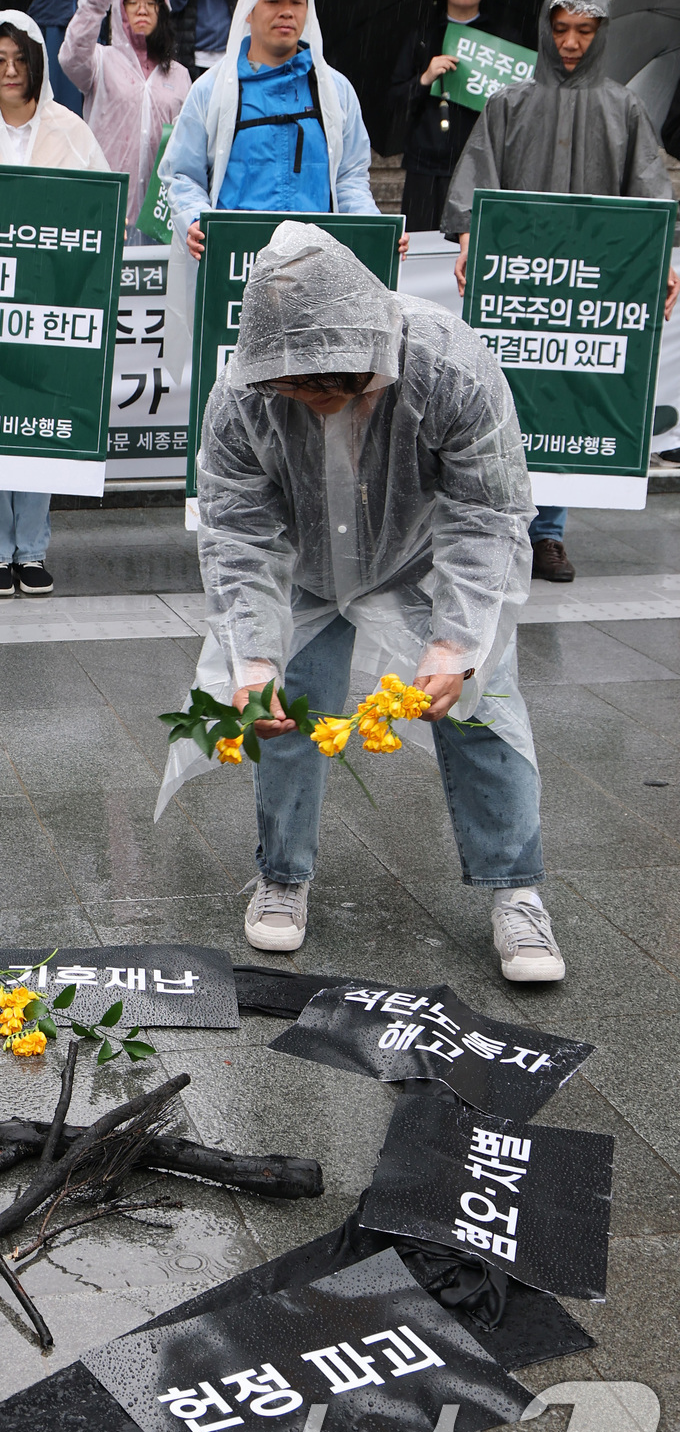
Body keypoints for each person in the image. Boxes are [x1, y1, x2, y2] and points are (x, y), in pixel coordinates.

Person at [190, 218, 567, 985]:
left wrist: (458, 643)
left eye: (335, 386)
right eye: (296, 388)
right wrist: (254, 653)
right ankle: (283, 874)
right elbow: (238, 530)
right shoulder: (241, 399)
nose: (317, 401)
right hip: (305, 560)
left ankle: (516, 888)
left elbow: (486, 511)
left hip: (427, 559)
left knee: (483, 703)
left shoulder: (450, 366)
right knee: (285, 702)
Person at [445, 0, 678, 583]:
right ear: (545, 29)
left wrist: (661, 263)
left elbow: (649, 192)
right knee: (508, 398)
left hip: (588, 286)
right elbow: (478, 176)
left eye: (584, 30)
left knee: (568, 399)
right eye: (561, 29)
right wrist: (470, 234)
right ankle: (502, 529)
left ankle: (548, 534)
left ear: (600, 34)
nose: (571, 43)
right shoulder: (508, 102)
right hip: (522, 282)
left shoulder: (623, 108)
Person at [0, 10, 108, 599]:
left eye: (19, 60)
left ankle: (31, 550)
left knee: (37, 420)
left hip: (52, 299)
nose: (9, 71)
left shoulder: (70, 129)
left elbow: (98, 205)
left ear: (36, 62)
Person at [162, 0, 381, 262]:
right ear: (249, 9)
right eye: (274, 0)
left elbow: (350, 178)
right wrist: (196, 220)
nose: (287, 12)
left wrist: (376, 229)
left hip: (315, 267)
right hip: (235, 263)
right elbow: (183, 174)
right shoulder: (211, 90)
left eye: (297, 1)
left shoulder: (336, 90)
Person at [387, 0, 517, 233]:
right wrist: (425, 79)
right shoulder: (422, 36)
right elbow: (395, 100)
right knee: (423, 259)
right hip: (426, 167)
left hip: (481, 166)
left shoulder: (503, 38)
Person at [59, 0, 191, 235]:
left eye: (150, 2)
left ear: (162, 10)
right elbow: (70, 57)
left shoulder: (179, 75)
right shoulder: (100, 61)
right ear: (120, 11)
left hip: (158, 218)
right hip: (107, 209)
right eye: (132, 1)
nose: (141, 9)